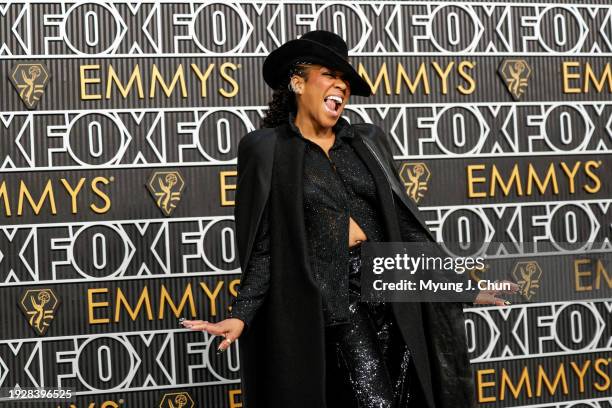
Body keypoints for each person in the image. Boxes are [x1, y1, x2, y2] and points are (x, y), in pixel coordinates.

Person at [182, 30, 516, 408]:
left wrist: (460, 285)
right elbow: (264, 244)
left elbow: (405, 226)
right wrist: (241, 314)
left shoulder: (367, 141)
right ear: (297, 82)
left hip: (390, 284)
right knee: (377, 401)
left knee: (410, 396)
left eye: (345, 79)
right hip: (334, 294)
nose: (340, 84)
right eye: (328, 74)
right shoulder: (266, 149)